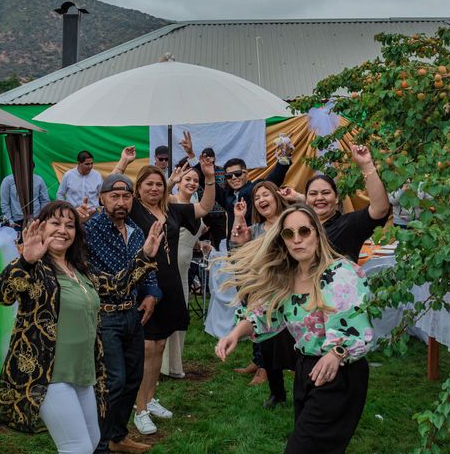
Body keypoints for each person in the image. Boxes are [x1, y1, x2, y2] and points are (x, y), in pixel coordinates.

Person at [0, 201, 163, 454]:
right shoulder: (35, 269)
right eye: (55, 223)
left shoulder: (81, 271)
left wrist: (145, 255)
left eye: (70, 225)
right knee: (77, 447)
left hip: (83, 372)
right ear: (40, 228)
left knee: (91, 441)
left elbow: (117, 286)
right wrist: (25, 260)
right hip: (50, 375)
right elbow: (1, 293)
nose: (63, 230)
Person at [215, 204, 373, 453]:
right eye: (289, 234)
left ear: (317, 234)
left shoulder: (340, 273)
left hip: (339, 373)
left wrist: (336, 353)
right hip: (306, 369)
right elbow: (264, 315)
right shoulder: (286, 278)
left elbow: (354, 325)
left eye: (304, 231)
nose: (297, 239)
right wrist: (235, 333)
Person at [112, 150, 216, 435]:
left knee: (159, 346)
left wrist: (209, 178)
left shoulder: (172, 209)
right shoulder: (132, 208)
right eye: (149, 184)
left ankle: (149, 396)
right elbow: (112, 188)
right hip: (144, 283)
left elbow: (204, 208)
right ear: (139, 187)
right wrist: (123, 164)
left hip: (170, 282)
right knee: (146, 346)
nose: (155, 188)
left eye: (159, 184)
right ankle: (140, 408)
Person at [82, 174, 163, 454]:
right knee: (112, 382)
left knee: (132, 379)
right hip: (104, 317)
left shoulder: (137, 231)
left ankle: (117, 436)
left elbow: (148, 266)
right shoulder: (90, 230)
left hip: (133, 316)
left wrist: (151, 294)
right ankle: (100, 444)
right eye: (114, 196)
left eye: (126, 197)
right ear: (102, 198)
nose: (120, 202)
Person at [230, 181, 295, 405]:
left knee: (296, 341)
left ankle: (306, 389)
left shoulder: (293, 222)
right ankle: (277, 392)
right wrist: (239, 218)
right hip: (265, 294)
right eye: (256, 198)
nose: (260, 200)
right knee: (268, 342)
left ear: (277, 197)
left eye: (265, 195)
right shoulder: (256, 230)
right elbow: (238, 252)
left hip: (292, 290)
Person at [280, 145, 390, 262]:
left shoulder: (348, 225)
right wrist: (298, 197)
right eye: (313, 194)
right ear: (306, 199)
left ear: (336, 198)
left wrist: (367, 165)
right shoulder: (299, 228)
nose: (319, 197)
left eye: (326, 193)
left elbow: (380, 209)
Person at [160, 158, 207, 379]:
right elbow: (157, 198)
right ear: (179, 181)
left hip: (184, 270)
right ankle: (160, 364)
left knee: (180, 315)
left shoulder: (196, 207)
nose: (191, 182)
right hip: (168, 267)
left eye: (195, 180)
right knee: (164, 314)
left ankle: (174, 365)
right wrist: (170, 181)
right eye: (187, 179)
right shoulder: (170, 200)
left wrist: (200, 244)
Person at [223, 140, 293, 242]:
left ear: (246, 174)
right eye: (229, 176)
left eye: (237, 173)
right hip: (235, 247)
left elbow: (275, 177)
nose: (233, 177)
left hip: (256, 243)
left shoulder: (255, 188)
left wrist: (284, 158)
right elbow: (207, 183)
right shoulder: (227, 196)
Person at [177, 131, 228, 249]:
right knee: (203, 245)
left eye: (210, 156)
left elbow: (220, 192)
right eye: (187, 179)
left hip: (219, 214)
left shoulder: (222, 171)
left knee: (220, 244)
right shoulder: (202, 174)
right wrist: (190, 153)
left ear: (214, 158)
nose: (208, 158)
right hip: (205, 215)